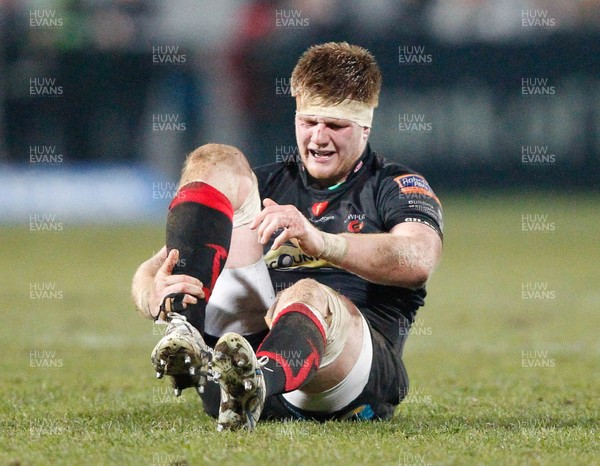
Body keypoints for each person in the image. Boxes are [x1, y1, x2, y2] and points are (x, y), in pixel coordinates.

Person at [131, 42, 443, 431]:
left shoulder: (393, 185)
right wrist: (152, 293)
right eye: (308, 122)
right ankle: (187, 330)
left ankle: (256, 384)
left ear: (365, 126)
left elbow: (418, 257)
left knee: (307, 293)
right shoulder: (265, 185)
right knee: (216, 161)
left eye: (335, 125)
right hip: (237, 358)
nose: (318, 138)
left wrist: (322, 241)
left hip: (344, 381)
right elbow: (156, 265)